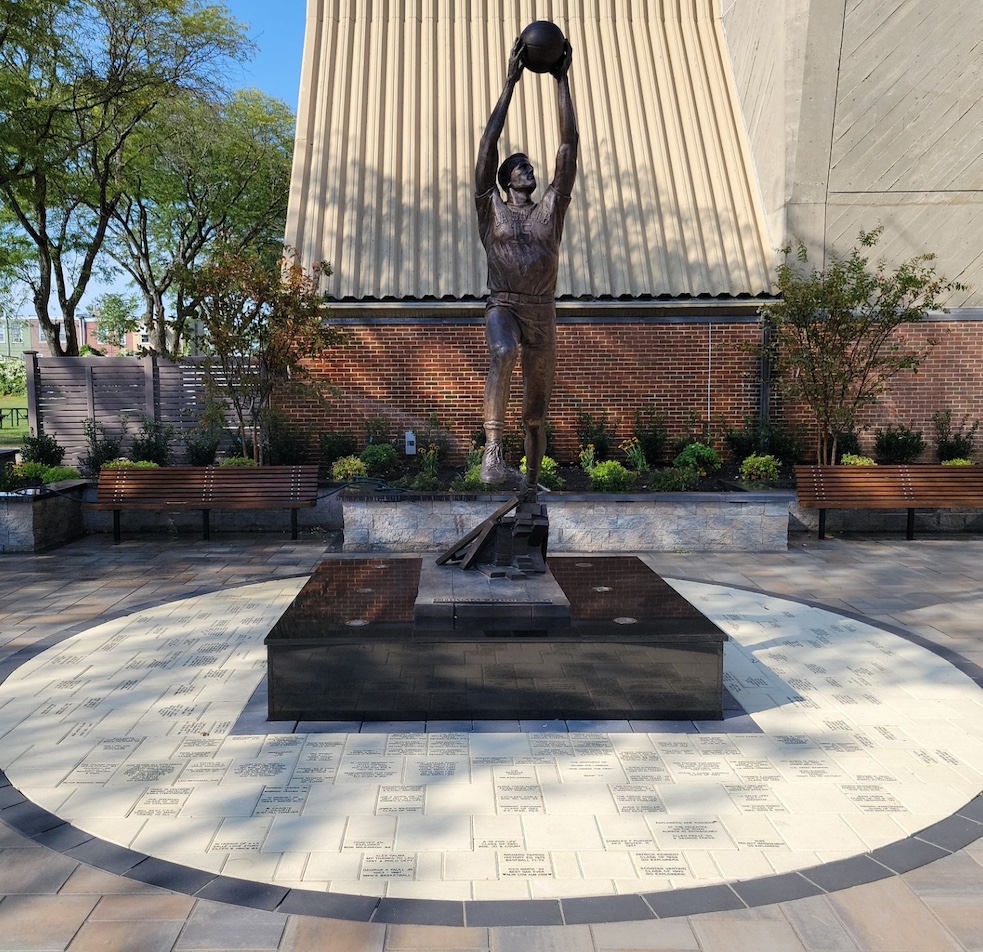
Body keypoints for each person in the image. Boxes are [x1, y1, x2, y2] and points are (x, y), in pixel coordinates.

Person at [475, 35, 578, 502]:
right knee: (502, 351)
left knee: (536, 415)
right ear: (505, 179)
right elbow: (487, 146)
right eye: (520, 167)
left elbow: (568, 145)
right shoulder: (489, 208)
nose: (528, 169)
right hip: (505, 305)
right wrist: (510, 83)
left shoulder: (551, 209)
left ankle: (530, 489)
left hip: (543, 313)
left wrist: (562, 80)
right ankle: (493, 455)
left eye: (530, 166)